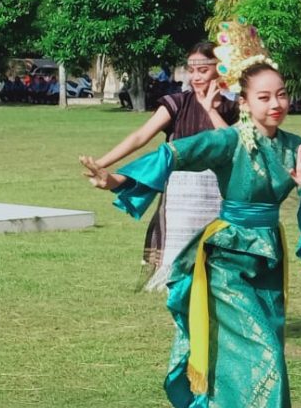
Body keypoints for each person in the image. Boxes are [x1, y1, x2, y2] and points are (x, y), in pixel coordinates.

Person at [79, 23, 301, 408]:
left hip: (268, 260)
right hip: (226, 260)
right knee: (261, 353)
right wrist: (117, 179)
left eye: (281, 94)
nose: (276, 104)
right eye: (264, 97)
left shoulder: (295, 147)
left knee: (260, 351)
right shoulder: (229, 142)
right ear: (244, 103)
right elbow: (175, 155)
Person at [89, 41, 238, 291]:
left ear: (220, 69)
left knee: (218, 273)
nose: (196, 76)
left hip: (219, 198)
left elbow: (235, 146)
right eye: (191, 70)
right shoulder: (177, 103)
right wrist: (102, 162)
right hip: (181, 203)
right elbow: (140, 136)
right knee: (180, 276)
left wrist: (211, 110)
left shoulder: (234, 108)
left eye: (203, 70)